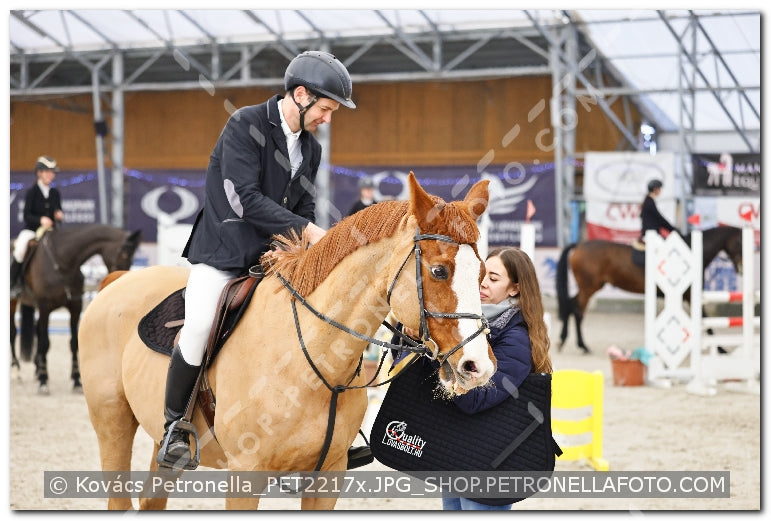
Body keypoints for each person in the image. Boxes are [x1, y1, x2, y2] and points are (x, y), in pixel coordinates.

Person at [157, 50, 358, 469]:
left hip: (275, 257)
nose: (328, 118)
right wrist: (308, 232)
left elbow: (303, 207)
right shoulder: (245, 125)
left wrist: (303, 247)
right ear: (300, 95)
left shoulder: (311, 149)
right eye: (324, 108)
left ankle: (321, 431)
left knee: (319, 317)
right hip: (223, 253)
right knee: (197, 325)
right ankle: (174, 426)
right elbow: (243, 199)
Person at [441, 246, 553, 510]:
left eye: (493, 278)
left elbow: (477, 398)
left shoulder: (517, 337)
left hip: (493, 462)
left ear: (514, 288)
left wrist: (444, 368)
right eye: (482, 274)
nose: (483, 283)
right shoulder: (467, 326)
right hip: (461, 452)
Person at [10, 156, 64, 296]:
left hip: (51, 230)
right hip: (32, 230)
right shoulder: (32, 192)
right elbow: (27, 215)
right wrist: (41, 220)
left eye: (52, 172)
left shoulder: (55, 193)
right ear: (39, 173)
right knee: (20, 249)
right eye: (47, 171)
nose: (51, 175)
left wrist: (58, 215)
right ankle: (13, 283)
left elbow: (57, 211)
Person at [639, 179, 675, 243]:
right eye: (659, 189)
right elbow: (659, 218)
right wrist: (673, 229)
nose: (660, 191)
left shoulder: (649, 201)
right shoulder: (649, 202)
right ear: (655, 189)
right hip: (650, 235)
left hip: (651, 233)